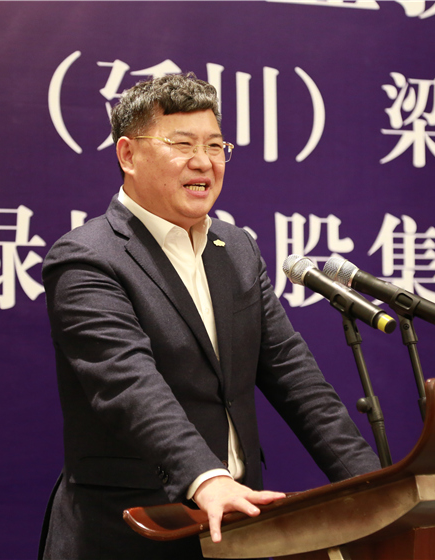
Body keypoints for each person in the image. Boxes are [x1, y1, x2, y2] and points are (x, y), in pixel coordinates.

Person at [38, 73, 380, 559]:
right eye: (182, 144)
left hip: (234, 526)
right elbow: (129, 385)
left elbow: (294, 375)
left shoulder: (236, 249)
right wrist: (206, 477)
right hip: (130, 530)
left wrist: (372, 486)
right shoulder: (87, 258)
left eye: (215, 146)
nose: (204, 161)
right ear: (128, 155)